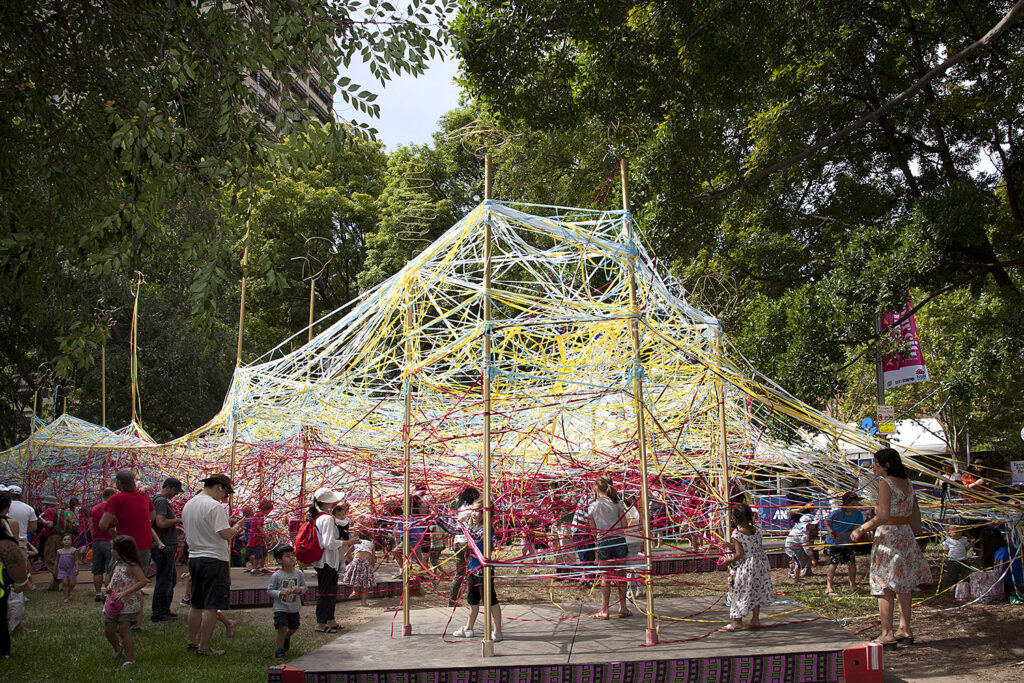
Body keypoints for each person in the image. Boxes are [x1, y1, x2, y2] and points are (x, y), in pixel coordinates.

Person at [851, 448, 932, 651]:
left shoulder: (885, 484)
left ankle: (887, 633)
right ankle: (905, 628)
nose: (873, 467)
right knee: (903, 585)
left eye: (876, 463)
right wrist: (917, 533)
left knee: (883, 585)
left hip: (888, 538)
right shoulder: (908, 483)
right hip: (905, 535)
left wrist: (862, 528)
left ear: (886, 465)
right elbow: (915, 512)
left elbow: (884, 515)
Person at [181, 472, 247, 655]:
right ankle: (204, 647)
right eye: (224, 493)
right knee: (211, 606)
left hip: (195, 557)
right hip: (213, 558)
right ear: (219, 487)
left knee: (196, 603)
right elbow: (224, 534)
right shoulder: (214, 506)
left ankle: (192, 641)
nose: (224, 498)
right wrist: (235, 528)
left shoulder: (189, 504)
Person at [100, 469, 161, 631]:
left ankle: (114, 613)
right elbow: (153, 515)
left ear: (118, 483)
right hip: (143, 545)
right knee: (138, 582)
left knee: (116, 580)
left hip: (124, 547)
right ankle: (137, 622)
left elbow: (102, 525)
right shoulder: (143, 495)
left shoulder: (116, 499)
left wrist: (116, 521)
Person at [449, 510, 503, 641]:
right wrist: (437, 518)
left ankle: (498, 631)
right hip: (473, 569)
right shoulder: (473, 527)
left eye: (478, 511)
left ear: (486, 513)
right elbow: (454, 530)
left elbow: (477, 537)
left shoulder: (486, 528)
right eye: (472, 510)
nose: (473, 513)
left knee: (490, 601)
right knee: (472, 601)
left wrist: (464, 526)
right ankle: (469, 628)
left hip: (484, 569)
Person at [720, 503, 773, 631]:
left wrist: (728, 561)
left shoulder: (737, 534)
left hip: (748, 566)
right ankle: (755, 619)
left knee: (741, 591)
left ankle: (737, 622)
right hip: (761, 564)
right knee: (756, 590)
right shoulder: (756, 530)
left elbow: (740, 554)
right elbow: (750, 544)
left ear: (735, 518)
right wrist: (731, 545)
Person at [587, 475, 630, 619]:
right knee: (621, 575)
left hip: (603, 542)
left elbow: (593, 531)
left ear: (596, 489)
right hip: (619, 541)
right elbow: (624, 525)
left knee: (605, 576)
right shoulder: (617, 504)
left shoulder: (592, 507)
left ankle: (604, 611)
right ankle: (622, 608)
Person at [102, 535, 148, 667]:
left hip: (127, 602)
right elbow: (113, 578)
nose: (111, 551)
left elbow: (142, 581)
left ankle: (130, 658)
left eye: (113, 548)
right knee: (108, 629)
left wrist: (125, 592)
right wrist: (110, 586)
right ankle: (117, 647)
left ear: (122, 550)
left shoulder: (132, 565)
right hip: (113, 601)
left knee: (123, 630)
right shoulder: (116, 563)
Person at [308, 487, 349, 633]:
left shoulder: (321, 517)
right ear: (327, 503)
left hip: (328, 560)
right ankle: (320, 623)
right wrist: (345, 543)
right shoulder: (326, 519)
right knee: (326, 592)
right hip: (326, 560)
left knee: (331, 591)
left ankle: (330, 620)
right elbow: (328, 543)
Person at [1, 491, 32, 660]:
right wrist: (21, 579)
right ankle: (3, 650)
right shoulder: (7, 524)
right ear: (7, 506)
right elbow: (10, 554)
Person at [150, 477, 183, 621]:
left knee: (170, 579)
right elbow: (161, 522)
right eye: (175, 490)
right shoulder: (161, 501)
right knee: (164, 580)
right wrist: (177, 520)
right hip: (163, 546)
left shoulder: (158, 500)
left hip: (166, 544)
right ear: (168, 487)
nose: (175, 494)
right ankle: (159, 612)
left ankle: (165, 609)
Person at [267, 544, 306, 659]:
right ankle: (279, 650)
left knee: (294, 627)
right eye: (287, 556)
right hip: (281, 607)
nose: (291, 558)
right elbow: (270, 590)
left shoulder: (298, 573)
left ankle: (287, 637)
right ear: (279, 560)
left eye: (292, 555)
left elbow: (304, 587)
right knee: (282, 627)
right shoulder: (277, 576)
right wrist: (280, 593)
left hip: (294, 607)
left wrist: (300, 590)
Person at [825, 492, 865, 596]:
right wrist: (830, 532)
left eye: (857, 502)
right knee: (833, 564)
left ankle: (853, 585)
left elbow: (856, 529)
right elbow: (827, 522)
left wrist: (843, 535)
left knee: (851, 563)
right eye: (854, 502)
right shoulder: (837, 513)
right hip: (834, 543)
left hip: (847, 542)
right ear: (847, 503)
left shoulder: (858, 514)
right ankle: (828, 587)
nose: (856, 504)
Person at [448, 486, 481, 606]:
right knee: (470, 571)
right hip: (466, 542)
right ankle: (471, 598)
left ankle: (452, 599)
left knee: (459, 573)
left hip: (457, 541)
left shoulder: (461, 506)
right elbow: (464, 521)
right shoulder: (470, 508)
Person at [90, 488, 117, 602]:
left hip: (96, 541)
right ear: (110, 495)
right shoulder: (111, 508)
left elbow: (90, 526)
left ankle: (98, 593)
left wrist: (94, 537)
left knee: (97, 569)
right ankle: (108, 593)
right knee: (110, 568)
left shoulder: (94, 509)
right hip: (108, 540)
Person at [344, 533, 377, 606]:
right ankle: (364, 601)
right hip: (366, 561)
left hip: (357, 560)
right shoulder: (371, 544)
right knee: (365, 582)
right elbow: (373, 558)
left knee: (356, 576)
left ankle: (354, 591)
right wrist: (372, 567)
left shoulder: (356, 543)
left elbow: (346, 554)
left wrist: (351, 562)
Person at [38, 494, 62, 589]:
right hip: (60, 537)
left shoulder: (49, 511)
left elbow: (50, 524)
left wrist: (41, 518)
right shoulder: (58, 510)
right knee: (56, 558)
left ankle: (62, 578)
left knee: (49, 559)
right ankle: (55, 585)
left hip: (53, 537)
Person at [785, 514, 817, 584]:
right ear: (806, 524)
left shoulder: (800, 526)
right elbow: (806, 547)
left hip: (794, 546)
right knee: (798, 564)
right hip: (791, 548)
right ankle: (796, 582)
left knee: (798, 562)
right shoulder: (804, 534)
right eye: (812, 524)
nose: (814, 526)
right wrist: (812, 558)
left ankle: (794, 576)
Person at [245, 499, 274, 574]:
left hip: (258, 537)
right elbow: (259, 526)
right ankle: (254, 569)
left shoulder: (259, 514)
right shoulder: (260, 515)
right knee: (258, 553)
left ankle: (261, 568)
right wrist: (266, 535)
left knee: (263, 552)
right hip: (256, 538)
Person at [56, 534, 82, 603]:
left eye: (68, 539)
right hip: (62, 569)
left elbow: (76, 560)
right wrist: (55, 568)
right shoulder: (59, 551)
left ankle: (69, 591)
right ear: (61, 542)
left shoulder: (74, 550)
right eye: (64, 540)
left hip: (71, 569)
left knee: (72, 584)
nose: (66, 541)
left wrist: (77, 568)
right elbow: (57, 560)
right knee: (64, 583)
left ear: (71, 541)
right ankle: (65, 597)